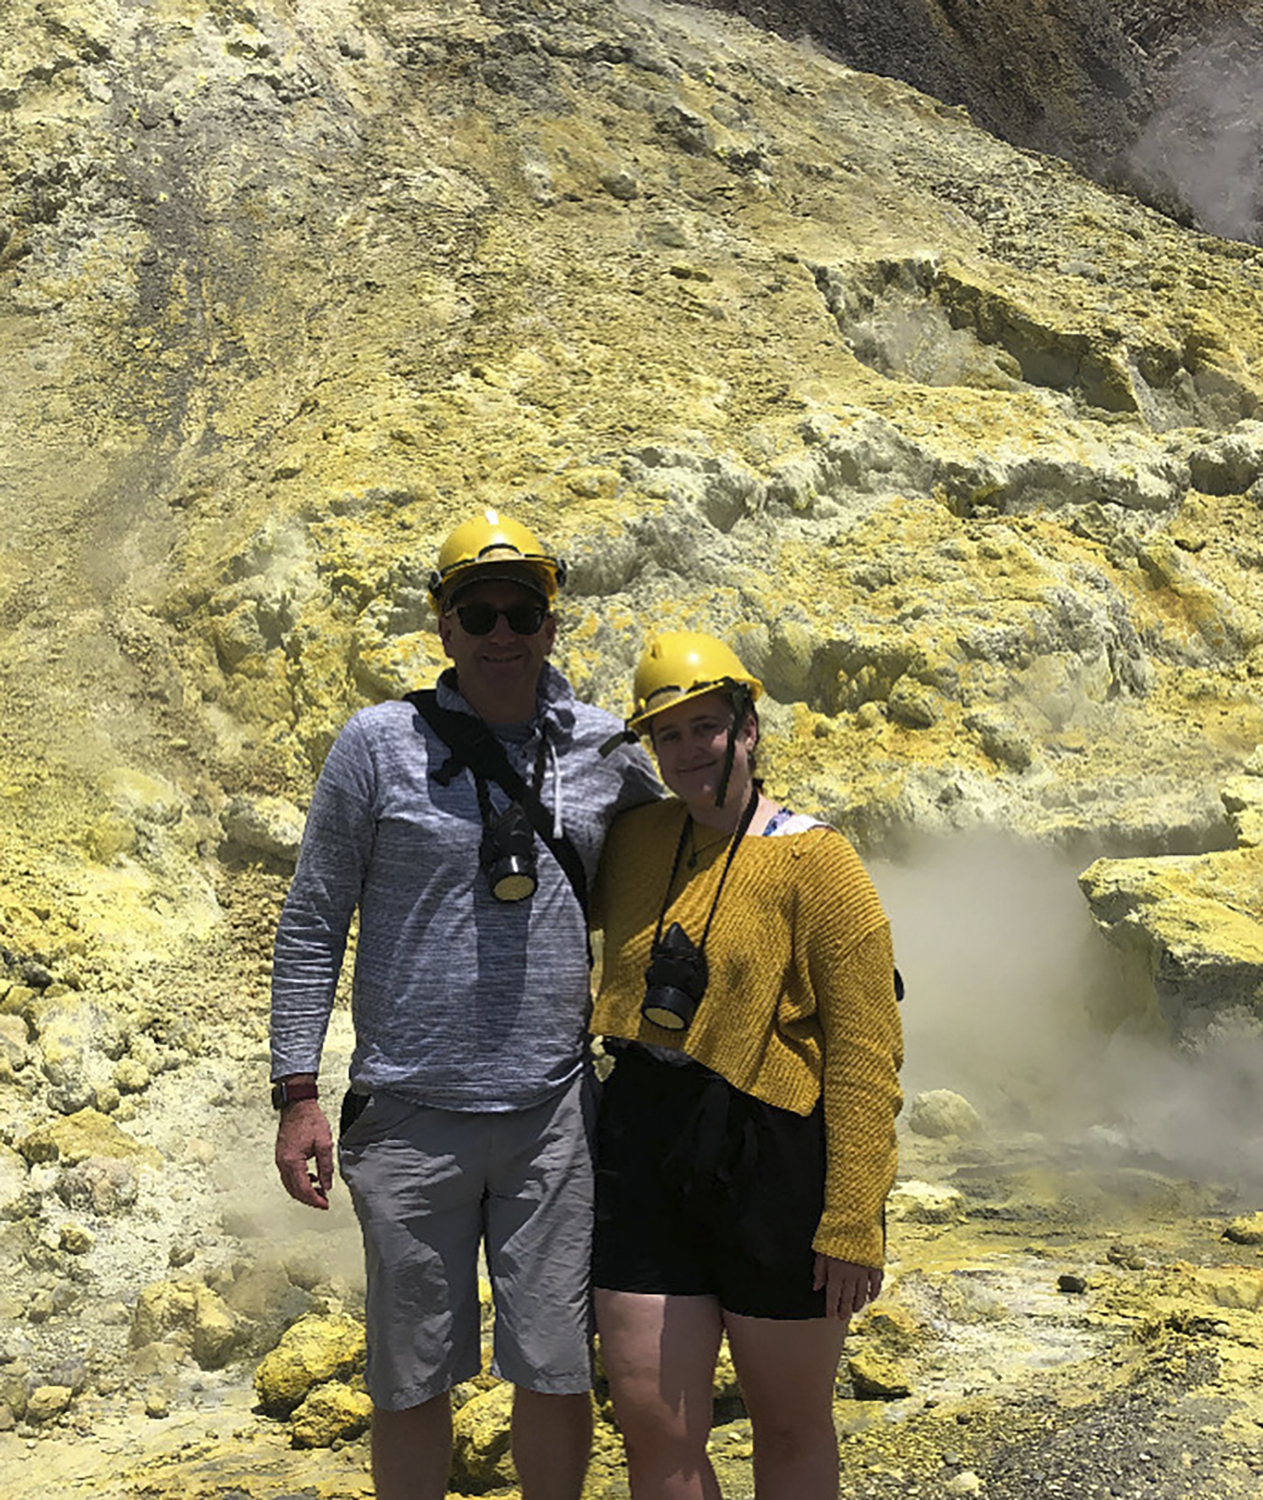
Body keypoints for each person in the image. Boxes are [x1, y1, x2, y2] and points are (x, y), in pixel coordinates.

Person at [270, 509, 660, 1500]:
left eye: (521, 611)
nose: (500, 633)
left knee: (556, 1367)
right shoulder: (375, 746)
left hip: (552, 1118)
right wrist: (296, 1092)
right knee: (408, 1381)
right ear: (441, 625)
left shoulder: (606, 749)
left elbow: (696, 853)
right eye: (477, 611)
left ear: (550, 624)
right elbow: (315, 917)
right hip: (408, 1118)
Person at [589, 631, 903, 1500]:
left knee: (790, 1424)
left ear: (748, 728)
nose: (689, 750)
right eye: (669, 735)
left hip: (771, 1150)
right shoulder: (638, 839)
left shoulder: (820, 862)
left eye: (706, 728)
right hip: (644, 1134)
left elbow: (866, 1055)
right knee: (652, 1424)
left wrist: (852, 1221)